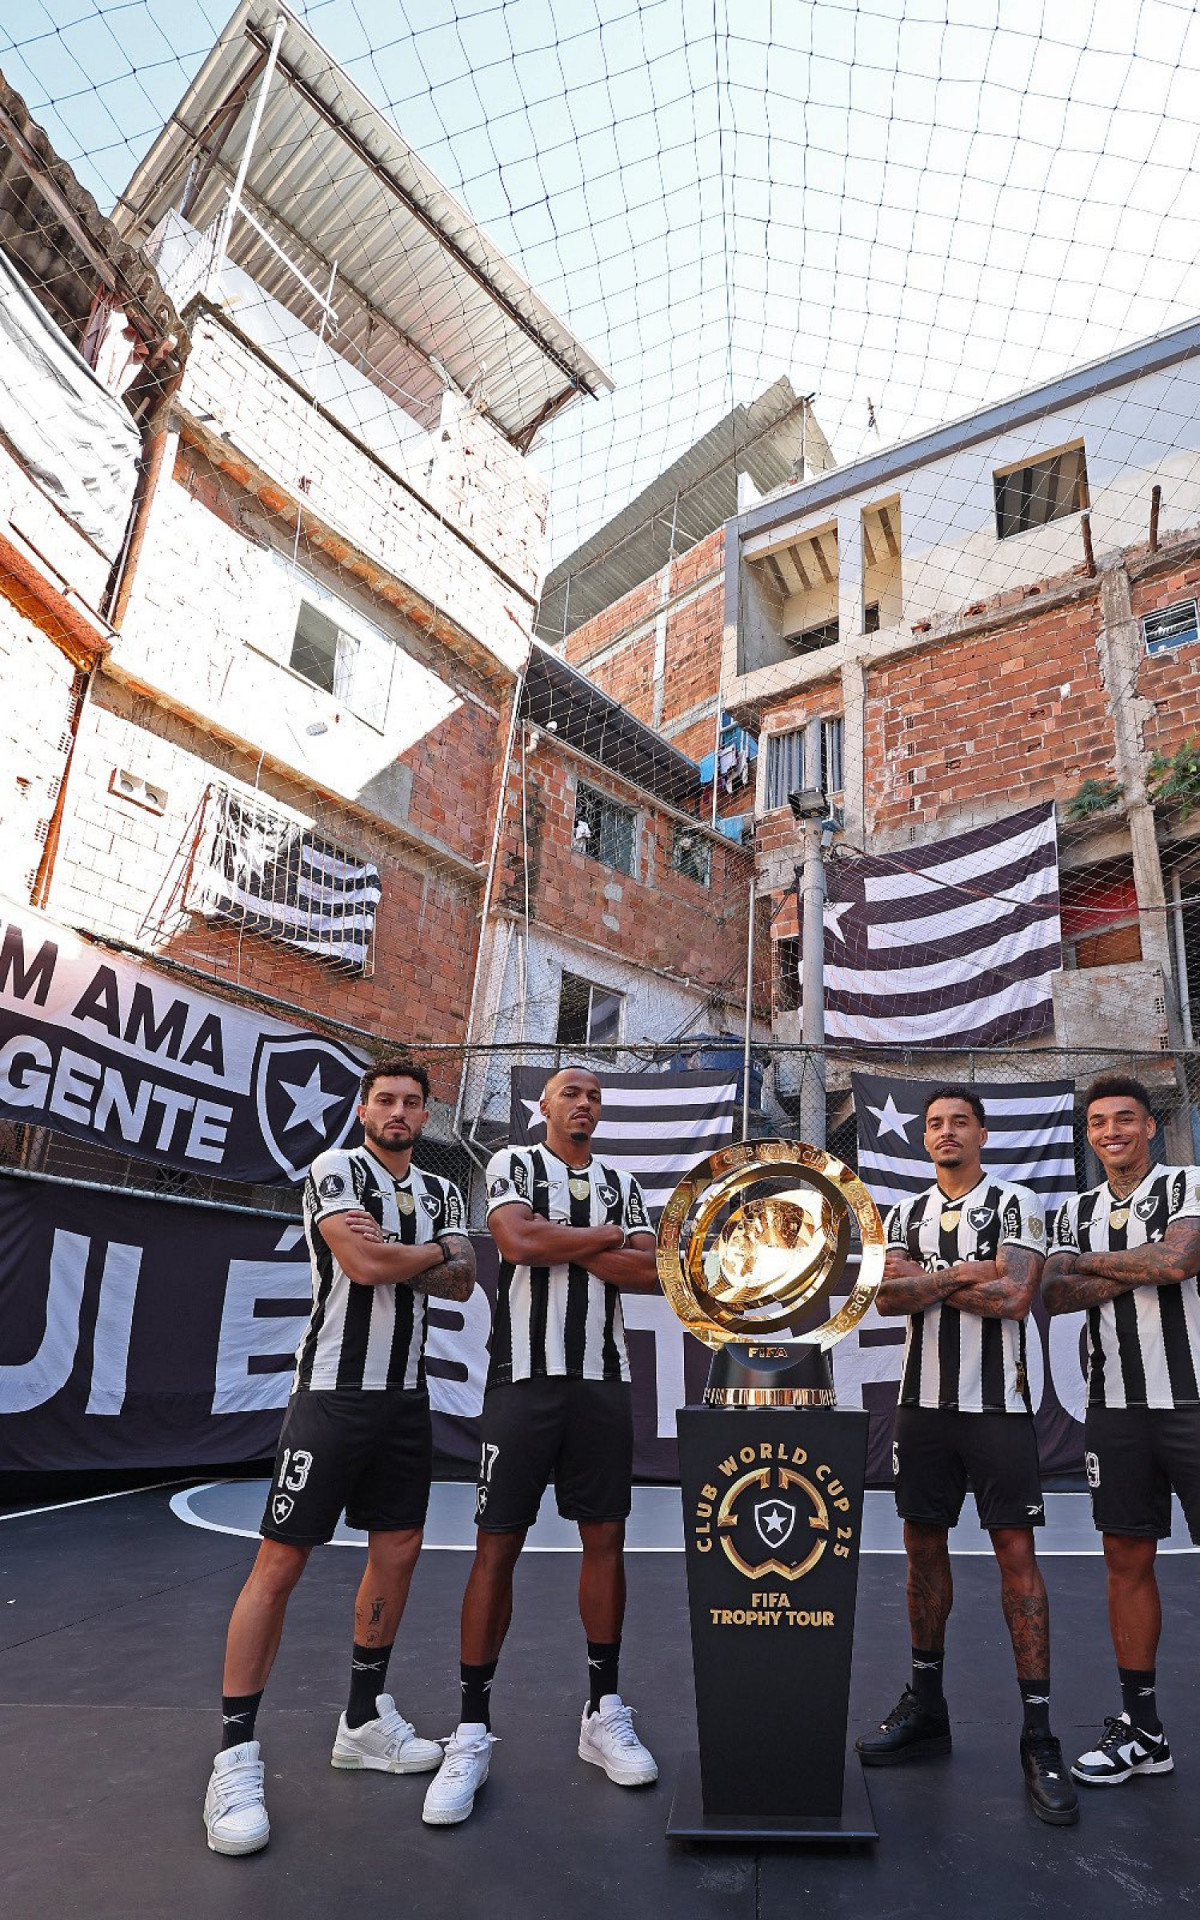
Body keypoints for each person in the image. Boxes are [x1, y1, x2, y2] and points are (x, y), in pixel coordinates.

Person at [202, 1059, 475, 1856]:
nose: (399, 1112)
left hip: (405, 1400)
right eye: (385, 1100)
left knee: (399, 1550)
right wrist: (426, 1252)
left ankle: (361, 1722)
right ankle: (233, 1756)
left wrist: (408, 1250)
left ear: (425, 1115)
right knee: (281, 1562)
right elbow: (364, 1266)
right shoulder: (336, 1168)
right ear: (363, 1110)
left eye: (412, 1102)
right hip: (331, 1396)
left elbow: (463, 1282)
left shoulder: (444, 1191)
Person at [422, 1066, 660, 1826]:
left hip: (601, 1383)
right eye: (570, 1093)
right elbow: (516, 1242)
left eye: (593, 1095)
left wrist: (560, 1241)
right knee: (496, 1546)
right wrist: (602, 1238)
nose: (583, 1103)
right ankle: (470, 1730)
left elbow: (651, 1273)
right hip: (521, 1383)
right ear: (545, 1106)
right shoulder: (513, 1162)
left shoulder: (623, 1181)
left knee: (606, 1542)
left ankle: (603, 1711)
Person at [855, 1084, 1078, 1826]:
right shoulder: (903, 1213)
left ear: (982, 1133)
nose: (946, 1132)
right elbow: (886, 1301)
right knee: (922, 1550)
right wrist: (966, 1272)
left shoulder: (1015, 1202)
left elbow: (1014, 1297)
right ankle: (927, 1707)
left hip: (998, 1409)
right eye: (934, 1124)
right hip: (921, 1410)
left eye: (959, 1122)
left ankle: (1038, 1736)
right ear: (923, 1139)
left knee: (1016, 1554)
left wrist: (927, 1280)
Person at [1043, 1072, 1200, 1788]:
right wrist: (1143, 1264)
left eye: (1126, 1119)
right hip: (1116, 1410)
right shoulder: (1075, 1210)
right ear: (1089, 1135)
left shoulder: (1187, 1185)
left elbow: (1180, 1259)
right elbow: (1056, 1292)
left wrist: (1095, 1265)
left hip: (1193, 1401)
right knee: (1126, 1562)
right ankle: (1144, 1731)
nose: (1112, 1132)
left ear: (1151, 1127)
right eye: (1100, 1122)